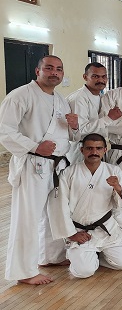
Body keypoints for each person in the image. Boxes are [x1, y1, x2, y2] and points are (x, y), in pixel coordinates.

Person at [0, 55, 78, 284]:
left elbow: (68, 135)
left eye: (59, 69)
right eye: (49, 68)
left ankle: (51, 256)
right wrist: (35, 146)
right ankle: (23, 271)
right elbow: (5, 131)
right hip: (33, 163)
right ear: (38, 71)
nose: (54, 72)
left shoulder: (61, 100)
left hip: (56, 164)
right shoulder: (20, 95)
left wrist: (74, 127)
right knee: (28, 217)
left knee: (53, 212)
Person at [47, 133, 122, 278]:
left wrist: (118, 188)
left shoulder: (114, 171)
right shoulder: (69, 173)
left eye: (98, 148)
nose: (94, 152)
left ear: (105, 150)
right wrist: (72, 234)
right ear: (82, 150)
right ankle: (82, 256)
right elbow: (59, 204)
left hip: (106, 228)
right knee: (84, 272)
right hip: (80, 230)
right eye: (90, 148)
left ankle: (96, 256)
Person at [66, 62, 122, 164]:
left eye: (104, 76)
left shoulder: (101, 97)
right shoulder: (79, 98)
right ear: (85, 77)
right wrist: (109, 119)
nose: (101, 80)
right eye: (95, 76)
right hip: (81, 149)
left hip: (98, 148)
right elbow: (80, 130)